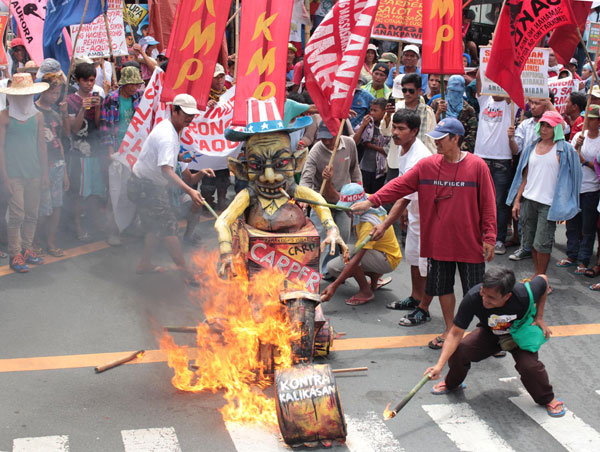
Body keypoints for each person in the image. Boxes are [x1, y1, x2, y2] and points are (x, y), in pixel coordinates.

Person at [352, 118, 496, 349]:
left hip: (470, 242)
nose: (436, 142)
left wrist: (489, 236)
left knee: (477, 291)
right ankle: (450, 330)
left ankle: (485, 335)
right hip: (438, 242)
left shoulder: (478, 166)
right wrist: (371, 201)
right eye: (435, 137)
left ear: (456, 139)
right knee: (443, 288)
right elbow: (399, 185)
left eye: (441, 138)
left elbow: (489, 203)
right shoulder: (427, 165)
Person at [424, 267, 565, 418]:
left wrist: (540, 316)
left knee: (529, 366)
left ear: (507, 296)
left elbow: (543, 279)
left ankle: (548, 398)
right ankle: (452, 383)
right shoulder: (473, 297)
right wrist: (439, 365)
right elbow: (455, 333)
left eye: (491, 298)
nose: (485, 299)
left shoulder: (523, 294)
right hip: (490, 332)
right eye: (483, 293)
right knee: (461, 350)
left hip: (518, 333)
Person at [127, 94, 204, 284]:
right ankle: (186, 273)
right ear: (174, 110)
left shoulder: (170, 127)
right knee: (169, 226)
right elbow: (167, 171)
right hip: (145, 186)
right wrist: (190, 190)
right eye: (186, 114)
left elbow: (164, 160)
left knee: (157, 225)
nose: (189, 118)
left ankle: (144, 263)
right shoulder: (168, 136)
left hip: (145, 184)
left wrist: (179, 157)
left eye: (192, 115)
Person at [507, 111, 582, 292]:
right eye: (543, 125)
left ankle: (543, 280)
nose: (545, 129)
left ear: (557, 128)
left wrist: (564, 205)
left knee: (543, 243)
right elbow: (524, 176)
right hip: (529, 201)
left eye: (549, 125)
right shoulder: (532, 146)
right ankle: (537, 277)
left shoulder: (565, 149)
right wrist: (517, 201)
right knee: (531, 242)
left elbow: (574, 177)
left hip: (549, 204)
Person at [374, 110, 433, 326]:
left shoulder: (420, 156)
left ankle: (424, 309)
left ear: (414, 131)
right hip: (416, 213)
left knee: (426, 265)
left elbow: (402, 197)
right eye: (394, 127)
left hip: (430, 218)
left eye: (401, 129)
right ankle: (416, 298)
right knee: (414, 259)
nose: (395, 133)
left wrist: (384, 225)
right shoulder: (402, 149)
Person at [321, 183, 401, 305]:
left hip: (387, 258)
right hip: (384, 253)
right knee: (340, 261)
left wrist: (334, 285)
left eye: (348, 207)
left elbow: (355, 259)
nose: (346, 212)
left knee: (343, 262)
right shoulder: (368, 200)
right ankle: (374, 282)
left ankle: (366, 291)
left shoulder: (368, 223)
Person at [0, 73, 49, 272]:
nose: (23, 98)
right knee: (17, 215)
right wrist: (5, 178)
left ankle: (27, 249)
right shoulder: (4, 116)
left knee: (31, 213)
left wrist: (44, 173)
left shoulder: (37, 116)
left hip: (34, 172)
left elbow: (41, 146)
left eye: (26, 95)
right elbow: (0, 148)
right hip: (13, 174)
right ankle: (15, 254)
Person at [300, 121, 361, 275]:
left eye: (330, 138)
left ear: (338, 133)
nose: (326, 141)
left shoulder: (349, 144)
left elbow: (355, 170)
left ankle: (330, 271)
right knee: (319, 240)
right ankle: (312, 273)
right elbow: (306, 179)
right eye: (323, 138)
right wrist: (304, 199)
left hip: (344, 201)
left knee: (341, 238)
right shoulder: (316, 150)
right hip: (321, 202)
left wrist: (359, 193)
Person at [507, 98, 554, 259]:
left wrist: (548, 104)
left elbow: (564, 127)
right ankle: (525, 246)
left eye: (538, 103)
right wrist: (511, 139)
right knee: (526, 219)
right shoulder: (525, 125)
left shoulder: (557, 131)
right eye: (531, 102)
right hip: (527, 177)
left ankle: (541, 266)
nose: (532, 106)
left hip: (546, 184)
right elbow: (516, 150)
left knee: (543, 229)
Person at [474, 79, 517, 255]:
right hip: (480, 159)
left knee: (499, 203)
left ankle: (498, 239)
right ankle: (476, 236)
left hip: (502, 160)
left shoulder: (509, 104)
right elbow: (479, 77)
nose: (493, 89)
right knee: (476, 201)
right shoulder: (484, 99)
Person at [559, 104, 600, 276]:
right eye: (586, 118)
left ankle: (583, 260)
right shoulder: (578, 136)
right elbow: (568, 158)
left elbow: (598, 168)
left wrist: (584, 160)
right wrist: (576, 148)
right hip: (575, 187)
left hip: (592, 188)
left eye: (591, 118)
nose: (587, 121)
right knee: (572, 224)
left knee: (587, 227)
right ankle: (572, 255)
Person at [66, 62, 105, 242]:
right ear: (78, 80)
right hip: (79, 152)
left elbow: (98, 125)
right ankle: (78, 227)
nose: (89, 84)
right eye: (86, 80)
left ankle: (95, 224)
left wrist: (96, 108)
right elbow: (73, 129)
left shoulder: (97, 97)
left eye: (92, 80)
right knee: (79, 192)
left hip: (95, 150)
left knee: (95, 191)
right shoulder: (70, 101)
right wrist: (83, 108)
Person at [34, 73, 69, 257]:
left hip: (57, 163)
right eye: (52, 92)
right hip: (42, 165)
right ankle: (36, 240)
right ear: (43, 90)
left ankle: (51, 241)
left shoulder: (55, 113)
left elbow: (60, 140)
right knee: (41, 206)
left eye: (57, 93)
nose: (55, 96)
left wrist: (64, 173)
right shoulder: (34, 112)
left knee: (57, 205)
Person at [201, 63, 230, 211]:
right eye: (216, 78)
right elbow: (197, 115)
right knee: (209, 174)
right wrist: (206, 106)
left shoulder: (229, 94)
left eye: (221, 77)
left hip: (224, 142)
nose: (219, 81)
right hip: (209, 142)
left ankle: (222, 200)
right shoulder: (204, 94)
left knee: (224, 173)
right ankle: (207, 202)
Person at [390, 73, 437, 153]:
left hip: (421, 157)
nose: (407, 94)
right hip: (398, 157)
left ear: (419, 90)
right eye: (404, 90)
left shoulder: (428, 111)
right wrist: (387, 116)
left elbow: (432, 138)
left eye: (411, 91)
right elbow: (385, 131)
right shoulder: (396, 108)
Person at [431, 75, 478, 153]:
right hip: (436, 149)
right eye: (452, 91)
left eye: (458, 92)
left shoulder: (469, 110)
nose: (455, 94)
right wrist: (438, 113)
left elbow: (471, 136)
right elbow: (429, 127)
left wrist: (455, 149)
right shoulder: (437, 103)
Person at [353, 98, 390, 193]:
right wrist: (362, 126)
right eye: (371, 110)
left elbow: (388, 150)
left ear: (384, 112)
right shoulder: (368, 124)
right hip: (365, 167)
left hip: (381, 170)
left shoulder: (389, 126)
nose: (372, 113)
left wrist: (369, 145)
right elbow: (353, 142)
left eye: (375, 110)